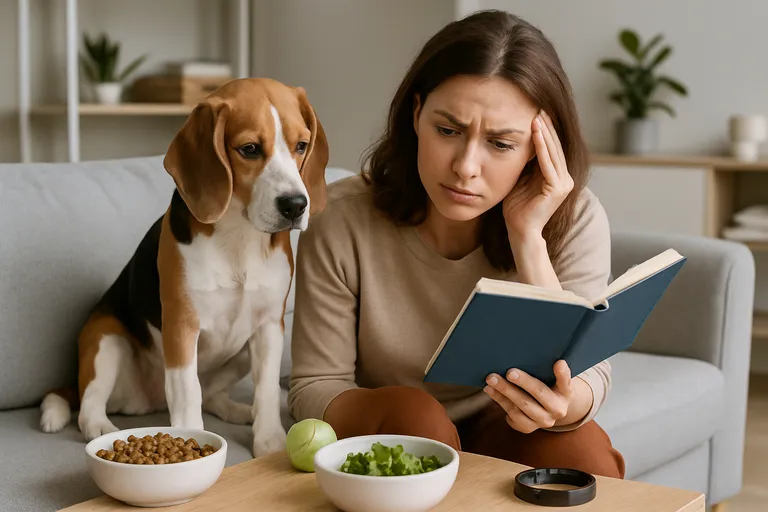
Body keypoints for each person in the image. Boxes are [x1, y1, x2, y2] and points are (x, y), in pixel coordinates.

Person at [287, 9, 625, 478]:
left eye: (501, 144)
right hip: (396, 421)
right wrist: (400, 413)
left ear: (538, 146)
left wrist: (528, 239)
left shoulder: (576, 217)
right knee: (416, 418)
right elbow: (315, 384)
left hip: (508, 423)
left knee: (580, 453)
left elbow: (587, 377)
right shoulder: (342, 218)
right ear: (416, 114)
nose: (466, 167)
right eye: (448, 131)